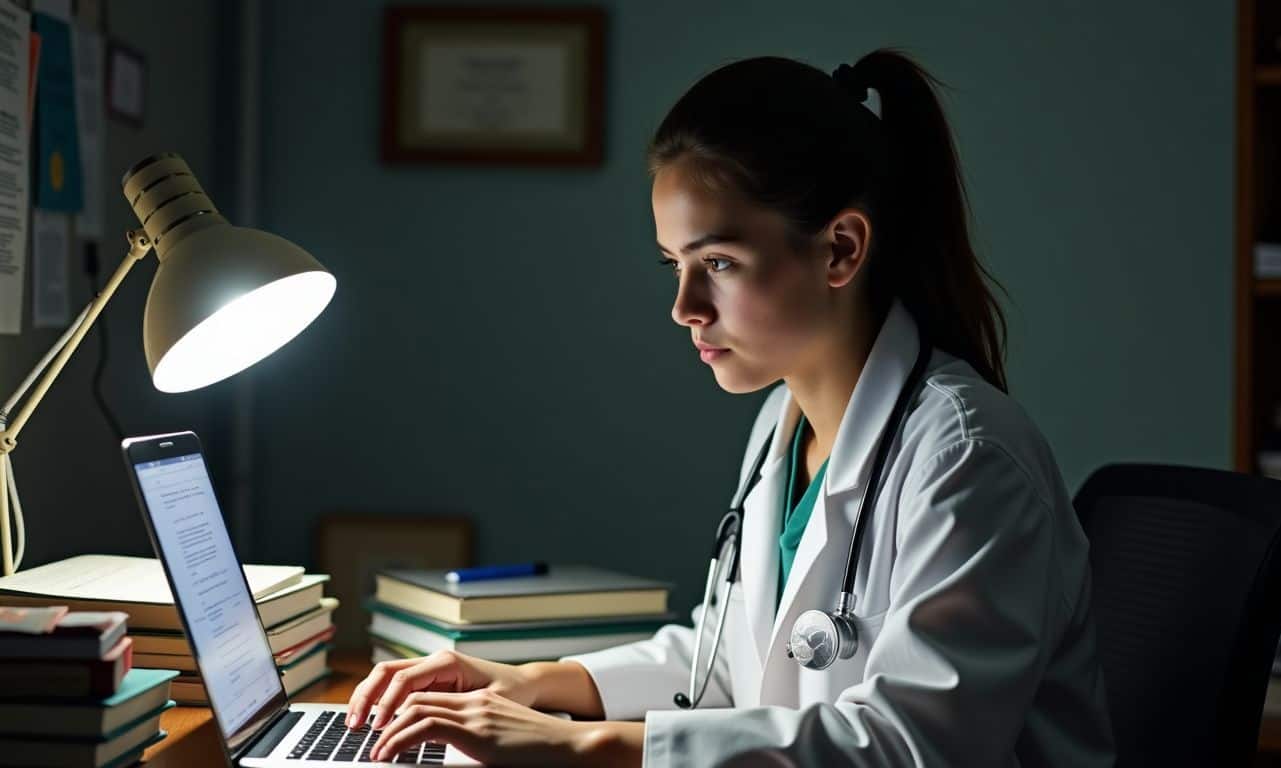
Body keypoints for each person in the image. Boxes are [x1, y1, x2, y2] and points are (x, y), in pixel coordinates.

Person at [345, 49, 1116, 767]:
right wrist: (538, 682)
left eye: (718, 262)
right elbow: (729, 664)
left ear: (842, 249)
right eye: (675, 265)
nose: (685, 306)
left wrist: (583, 747)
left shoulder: (967, 457)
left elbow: (909, 746)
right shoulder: (784, 427)